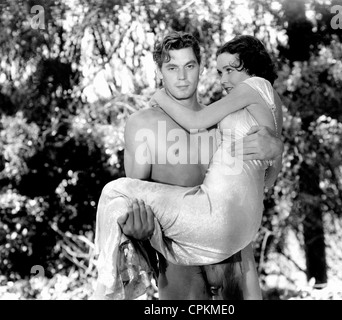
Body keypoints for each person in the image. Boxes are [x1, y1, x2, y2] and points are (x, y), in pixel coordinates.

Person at [92, 32, 283, 300]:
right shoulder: (143, 124)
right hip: (178, 267)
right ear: (159, 71)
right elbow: (134, 209)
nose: (182, 77)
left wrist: (276, 149)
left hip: (236, 260)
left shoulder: (223, 120)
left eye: (189, 66)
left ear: (201, 68)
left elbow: (259, 181)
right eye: (172, 68)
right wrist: (137, 230)